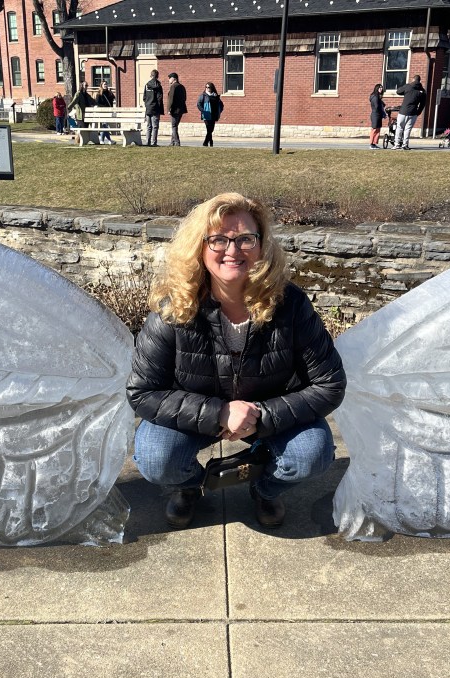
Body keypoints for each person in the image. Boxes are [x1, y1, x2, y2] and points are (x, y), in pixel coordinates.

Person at [126, 193, 346, 529]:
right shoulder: (175, 308)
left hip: (269, 411)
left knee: (311, 454)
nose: (233, 250)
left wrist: (261, 416)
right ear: (199, 247)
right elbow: (142, 391)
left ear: (261, 245)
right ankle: (191, 487)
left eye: (245, 239)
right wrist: (219, 413)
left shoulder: (290, 304)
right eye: (218, 239)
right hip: (194, 415)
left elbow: (330, 383)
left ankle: (265, 489)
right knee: (157, 458)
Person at [391, 75, 426, 150]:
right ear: (420, 81)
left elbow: (398, 91)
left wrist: (405, 90)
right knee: (408, 129)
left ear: (413, 79)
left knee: (399, 128)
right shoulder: (422, 91)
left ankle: (397, 144)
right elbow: (422, 104)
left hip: (403, 111)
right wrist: (418, 112)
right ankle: (405, 145)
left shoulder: (408, 86)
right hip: (413, 112)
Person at [196, 82, 223, 147]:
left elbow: (221, 105)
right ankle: (206, 142)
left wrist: (219, 111)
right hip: (206, 114)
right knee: (209, 129)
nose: (207, 88)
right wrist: (203, 111)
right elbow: (198, 104)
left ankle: (210, 141)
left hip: (214, 114)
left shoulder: (216, 96)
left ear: (212, 88)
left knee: (211, 129)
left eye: (208, 87)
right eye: (206, 87)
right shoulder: (203, 95)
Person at [142, 69, 164, 146]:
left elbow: (144, 97)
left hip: (148, 108)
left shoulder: (147, 85)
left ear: (151, 75)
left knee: (149, 126)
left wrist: (147, 104)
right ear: (157, 76)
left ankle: (147, 142)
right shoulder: (158, 86)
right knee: (155, 126)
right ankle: (153, 142)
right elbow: (159, 98)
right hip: (156, 109)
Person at [167, 73, 187, 147]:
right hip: (181, 109)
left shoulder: (173, 86)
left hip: (174, 109)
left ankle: (177, 141)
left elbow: (171, 99)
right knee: (175, 125)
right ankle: (172, 142)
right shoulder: (182, 86)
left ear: (174, 78)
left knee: (174, 126)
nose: (169, 80)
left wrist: (169, 109)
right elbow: (185, 98)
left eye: (170, 78)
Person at [369, 84, 387, 149]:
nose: (381, 89)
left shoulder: (378, 97)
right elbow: (377, 107)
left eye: (381, 88)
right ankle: (371, 144)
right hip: (375, 115)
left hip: (379, 115)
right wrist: (383, 114)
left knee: (378, 130)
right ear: (376, 88)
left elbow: (382, 105)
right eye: (379, 88)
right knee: (374, 129)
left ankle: (374, 143)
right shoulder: (375, 97)